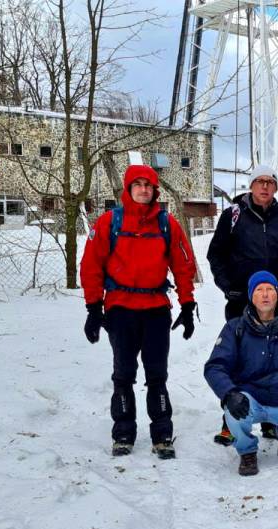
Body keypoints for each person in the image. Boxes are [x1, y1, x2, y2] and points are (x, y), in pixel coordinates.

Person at [80, 164, 198, 459]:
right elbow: (91, 265)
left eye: (149, 185)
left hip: (156, 309)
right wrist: (93, 308)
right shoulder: (110, 222)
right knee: (123, 374)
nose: (144, 189)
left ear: (155, 190)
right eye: (138, 184)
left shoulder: (167, 223)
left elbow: (183, 266)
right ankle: (123, 432)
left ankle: (162, 434)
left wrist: (187, 304)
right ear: (128, 189)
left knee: (157, 375)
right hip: (120, 309)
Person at [207, 164, 278, 446]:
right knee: (238, 360)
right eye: (259, 182)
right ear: (251, 186)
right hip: (241, 303)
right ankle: (231, 419)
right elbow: (215, 255)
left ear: (275, 188)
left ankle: (271, 420)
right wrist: (228, 287)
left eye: (270, 182)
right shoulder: (233, 215)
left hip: (276, 302)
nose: (265, 187)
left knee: (274, 359)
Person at [204, 271, 278, 476]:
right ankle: (247, 451)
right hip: (249, 398)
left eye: (269, 289)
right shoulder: (235, 328)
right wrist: (229, 393)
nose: (265, 295)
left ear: (277, 294)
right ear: (251, 296)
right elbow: (215, 366)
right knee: (233, 413)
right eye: (259, 290)